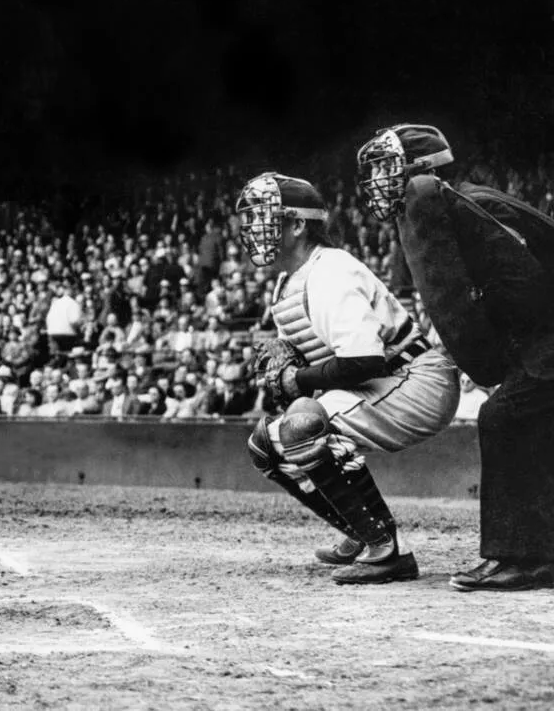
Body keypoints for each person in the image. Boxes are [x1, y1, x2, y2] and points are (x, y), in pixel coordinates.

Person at [357, 123, 554, 591]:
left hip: (545, 336)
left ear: (421, 168)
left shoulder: (474, 207)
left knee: (504, 419)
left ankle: (522, 559)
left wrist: (519, 347)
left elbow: (525, 284)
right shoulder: (456, 207)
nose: (379, 180)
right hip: (539, 337)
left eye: (387, 168)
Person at [236, 172, 459, 584]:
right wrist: (291, 375)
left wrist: (298, 379)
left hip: (414, 378)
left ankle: (388, 551)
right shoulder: (288, 283)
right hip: (381, 382)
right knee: (266, 447)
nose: (253, 229)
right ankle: (361, 532)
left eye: (264, 217)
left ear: (297, 225)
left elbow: (364, 360)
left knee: (301, 428)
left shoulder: (330, 270)